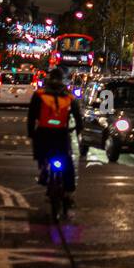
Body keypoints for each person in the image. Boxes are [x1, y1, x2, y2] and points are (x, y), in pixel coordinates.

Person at [27, 67, 84, 207]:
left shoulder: (39, 94)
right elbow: (77, 117)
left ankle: (44, 174)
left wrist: (31, 133)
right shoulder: (68, 96)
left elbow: (31, 116)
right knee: (67, 162)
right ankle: (68, 191)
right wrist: (78, 131)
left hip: (43, 132)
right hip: (61, 133)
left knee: (42, 156)